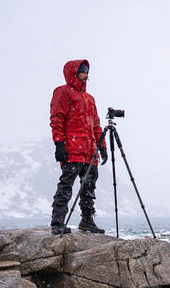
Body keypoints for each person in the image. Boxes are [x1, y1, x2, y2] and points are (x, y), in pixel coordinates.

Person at [49, 59, 108, 234]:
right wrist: (59, 144)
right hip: (72, 149)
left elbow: (96, 125)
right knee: (66, 185)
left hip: (90, 151)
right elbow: (57, 119)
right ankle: (57, 222)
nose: (86, 74)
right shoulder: (63, 92)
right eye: (82, 70)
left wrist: (102, 146)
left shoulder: (90, 99)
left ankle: (87, 220)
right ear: (73, 72)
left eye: (87, 70)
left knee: (89, 187)